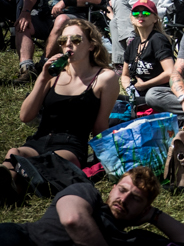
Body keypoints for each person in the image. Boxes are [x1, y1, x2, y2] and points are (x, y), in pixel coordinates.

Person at [0, 19, 119, 204]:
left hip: (69, 147)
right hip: (39, 140)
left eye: (76, 40)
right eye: (63, 40)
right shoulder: (53, 74)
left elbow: (100, 125)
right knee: (14, 153)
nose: (68, 44)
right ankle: (9, 187)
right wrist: (42, 78)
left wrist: (107, 161)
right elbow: (25, 116)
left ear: (91, 45)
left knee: (48, 162)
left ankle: (13, 187)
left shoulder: (104, 78)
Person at [0, 166, 184, 246]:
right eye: (122, 190)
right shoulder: (86, 192)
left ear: (144, 210)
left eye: (136, 199)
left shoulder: (132, 238)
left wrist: (155, 216)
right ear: (112, 190)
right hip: (20, 240)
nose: (124, 199)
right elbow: (73, 219)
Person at [121, 0, 176, 113]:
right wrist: (130, 90)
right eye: (136, 13)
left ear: (155, 18)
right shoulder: (133, 43)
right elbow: (125, 75)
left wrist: (144, 85)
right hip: (139, 95)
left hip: (158, 94)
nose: (140, 15)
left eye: (146, 12)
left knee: (151, 95)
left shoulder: (158, 40)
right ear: (132, 19)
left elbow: (170, 73)